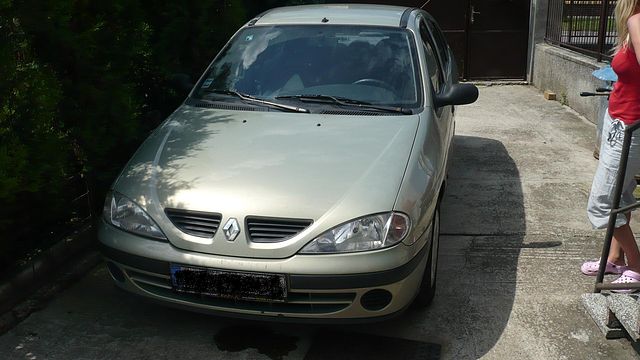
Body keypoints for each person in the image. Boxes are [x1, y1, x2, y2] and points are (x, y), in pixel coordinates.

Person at [582, 0, 640, 290]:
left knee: (603, 203)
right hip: (618, 120)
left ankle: (636, 265)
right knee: (621, 195)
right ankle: (615, 258)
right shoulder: (632, 24)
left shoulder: (637, 20)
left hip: (630, 126)